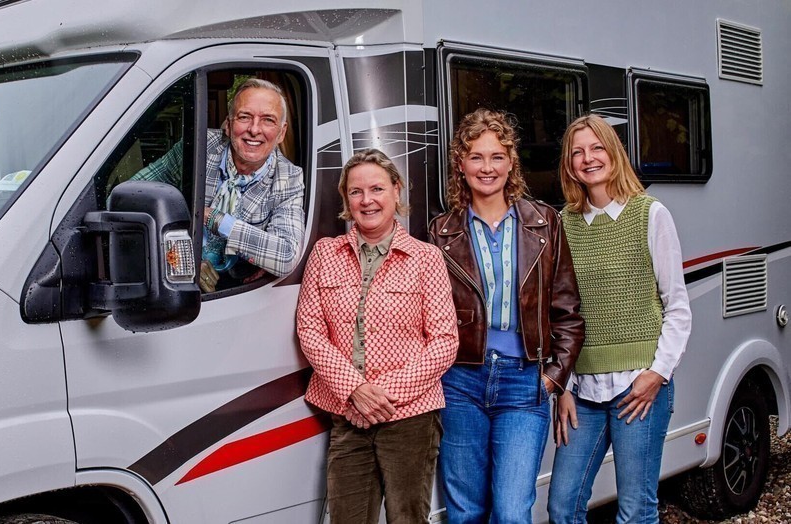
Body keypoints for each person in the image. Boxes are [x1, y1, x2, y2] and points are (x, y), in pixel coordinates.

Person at [428, 108, 584, 524]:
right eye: (476, 157)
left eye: (497, 156)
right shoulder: (440, 233)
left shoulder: (543, 223)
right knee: (465, 512)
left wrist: (553, 377)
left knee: (513, 511)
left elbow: (568, 311)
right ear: (460, 164)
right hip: (459, 382)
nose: (487, 167)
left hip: (523, 380)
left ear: (511, 161)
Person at [296, 149, 458, 523]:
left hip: (410, 419)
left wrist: (382, 396)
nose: (367, 200)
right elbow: (310, 330)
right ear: (345, 199)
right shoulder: (325, 254)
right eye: (356, 192)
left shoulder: (426, 258)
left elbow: (444, 342)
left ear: (396, 191)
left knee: (407, 518)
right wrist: (355, 390)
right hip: (347, 415)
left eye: (377, 189)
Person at [547, 114, 692, 524]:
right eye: (577, 152)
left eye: (596, 148)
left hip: (639, 389)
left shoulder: (650, 214)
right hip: (583, 395)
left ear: (613, 153)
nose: (587, 158)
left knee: (635, 511)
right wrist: (564, 387)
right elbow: (561, 316)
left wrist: (657, 374)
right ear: (568, 164)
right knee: (562, 506)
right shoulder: (563, 223)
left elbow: (677, 305)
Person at [134, 78, 304, 292]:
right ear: (229, 124)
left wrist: (212, 218)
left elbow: (286, 256)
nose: (254, 129)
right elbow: (131, 195)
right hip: (172, 283)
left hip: (237, 292)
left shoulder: (289, 176)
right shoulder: (199, 146)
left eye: (268, 120)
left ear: (281, 132)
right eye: (245, 117)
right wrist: (180, 258)